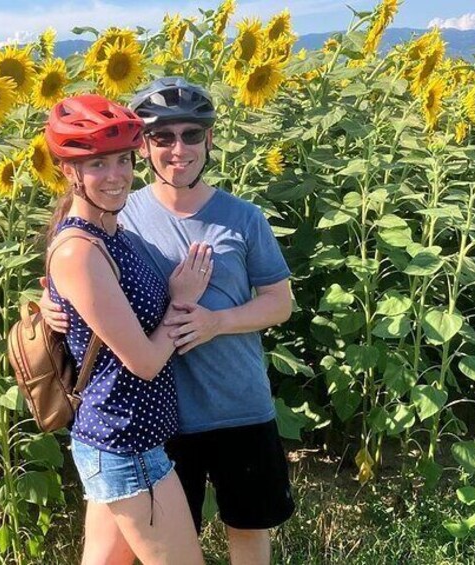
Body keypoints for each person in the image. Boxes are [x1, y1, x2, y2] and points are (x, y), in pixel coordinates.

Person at [41, 78, 295, 565]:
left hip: (237, 404)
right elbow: (70, 268)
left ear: (210, 140)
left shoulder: (243, 218)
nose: (179, 149)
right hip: (159, 420)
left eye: (192, 135)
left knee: (249, 526)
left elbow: (279, 303)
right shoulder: (118, 211)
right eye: (163, 138)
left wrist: (217, 322)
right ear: (146, 146)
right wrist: (47, 306)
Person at [42, 93, 212, 565]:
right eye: (97, 163)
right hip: (126, 443)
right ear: (69, 171)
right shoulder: (81, 249)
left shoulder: (115, 232)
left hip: (119, 438)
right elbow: (144, 360)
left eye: (122, 160)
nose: (116, 176)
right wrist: (181, 302)